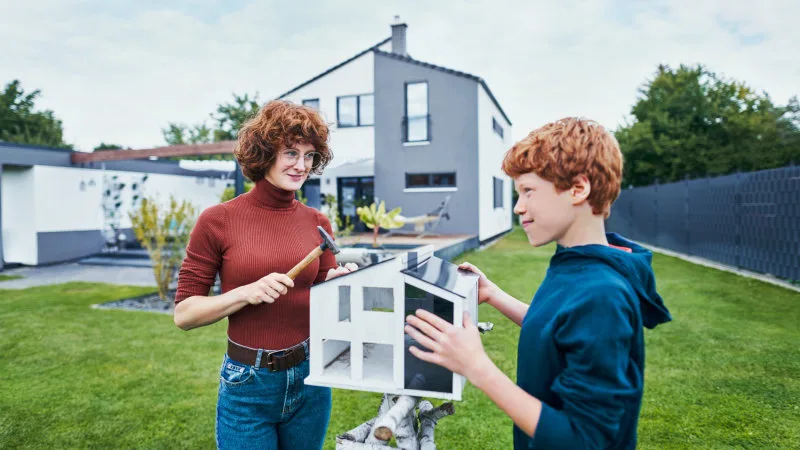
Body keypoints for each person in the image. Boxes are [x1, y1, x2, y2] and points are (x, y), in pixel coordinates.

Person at [404, 117, 672, 449]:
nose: (519, 207)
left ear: (578, 189)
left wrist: (477, 367)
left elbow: (586, 440)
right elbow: (560, 330)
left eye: (528, 191)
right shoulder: (576, 262)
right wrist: (496, 295)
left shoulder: (603, 295)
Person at [173, 100, 358, 450]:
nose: (301, 165)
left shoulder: (317, 222)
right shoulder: (217, 221)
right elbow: (184, 315)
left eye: (309, 155)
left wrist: (336, 285)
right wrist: (245, 292)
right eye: (291, 152)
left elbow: (320, 294)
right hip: (248, 383)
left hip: (311, 377)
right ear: (264, 152)